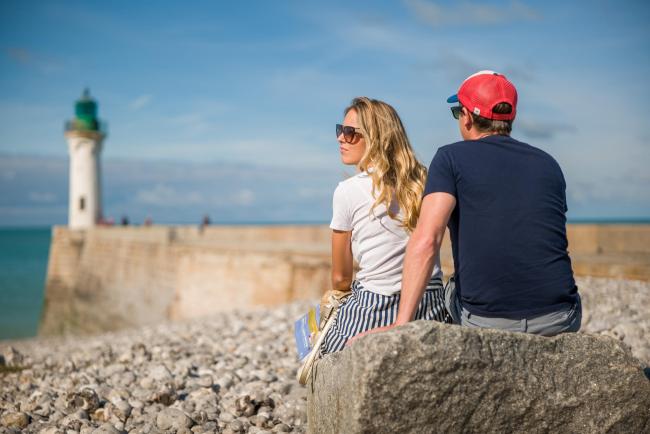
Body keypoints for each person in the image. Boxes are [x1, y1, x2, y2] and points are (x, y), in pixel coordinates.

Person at [361, 71, 581, 338]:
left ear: (466, 116)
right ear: (508, 118)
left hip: (486, 321)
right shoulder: (548, 164)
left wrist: (401, 324)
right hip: (560, 316)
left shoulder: (450, 158)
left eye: (457, 112)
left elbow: (428, 239)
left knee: (449, 288)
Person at [320, 97, 451, 356]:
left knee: (321, 352)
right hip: (431, 302)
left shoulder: (347, 191)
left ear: (376, 138)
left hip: (377, 304)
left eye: (350, 133)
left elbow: (341, 278)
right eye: (340, 130)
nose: (340, 138)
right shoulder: (425, 181)